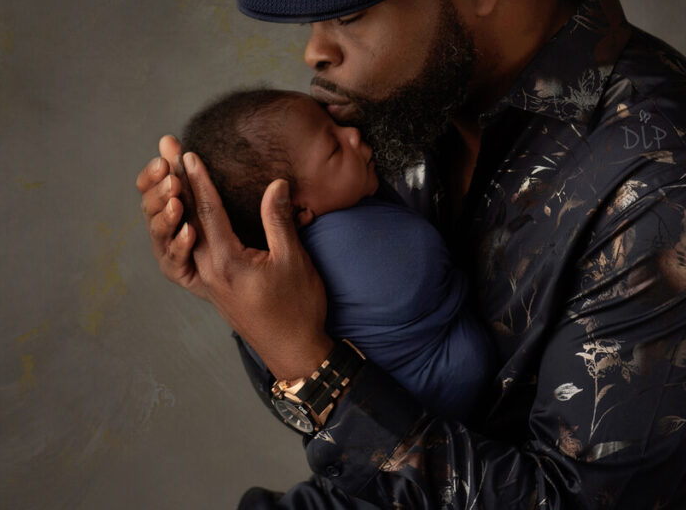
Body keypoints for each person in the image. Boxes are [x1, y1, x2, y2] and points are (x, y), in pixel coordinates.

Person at [136, 0, 686, 509]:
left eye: (349, 16)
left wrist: (310, 365)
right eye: (313, 21)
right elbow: (360, 378)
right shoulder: (404, 107)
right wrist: (237, 268)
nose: (314, 52)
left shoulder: (672, 179)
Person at [180, 88, 494, 422]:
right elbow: (428, 257)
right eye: (334, 148)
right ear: (292, 207)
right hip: (442, 411)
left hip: (404, 432)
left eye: (336, 125)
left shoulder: (272, 274)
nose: (354, 134)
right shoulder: (349, 244)